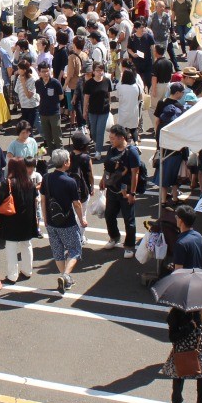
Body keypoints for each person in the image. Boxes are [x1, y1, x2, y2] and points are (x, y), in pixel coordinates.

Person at [43, 148, 88, 294]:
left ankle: (65, 280)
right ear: (65, 163)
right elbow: (77, 204)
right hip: (67, 223)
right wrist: (82, 219)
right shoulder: (70, 181)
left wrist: (45, 218)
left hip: (51, 222)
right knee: (75, 250)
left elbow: (43, 200)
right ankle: (65, 276)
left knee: (58, 251)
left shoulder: (46, 178)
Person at [163, 307, 202, 403]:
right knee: (179, 378)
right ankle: (176, 400)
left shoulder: (201, 310)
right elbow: (172, 337)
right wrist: (188, 328)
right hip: (183, 349)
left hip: (200, 348)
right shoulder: (175, 313)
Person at [0, 158, 39, 282]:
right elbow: (35, 200)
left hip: (11, 219)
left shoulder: (7, 183)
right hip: (27, 218)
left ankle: (12, 275)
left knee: (11, 247)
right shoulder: (30, 182)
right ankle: (27, 271)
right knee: (27, 244)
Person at [100, 125, 142, 258]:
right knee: (109, 215)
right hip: (112, 189)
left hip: (126, 191)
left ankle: (129, 246)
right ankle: (114, 237)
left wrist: (132, 193)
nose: (110, 140)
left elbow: (135, 173)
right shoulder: (111, 149)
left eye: (113, 138)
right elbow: (107, 167)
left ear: (121, 137)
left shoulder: (132, 152)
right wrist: (103, 179)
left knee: (128, 219)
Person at [83, 62, 114, 157]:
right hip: (92, 111)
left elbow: (108, 94)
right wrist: (84, 110)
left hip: (104, 110)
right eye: (97, 70)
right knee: (93, 131)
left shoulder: (107, 81)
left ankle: (98, 151)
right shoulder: (89, 83)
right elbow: (86, 98)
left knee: (100, 130)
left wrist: (110, 104)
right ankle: (97, 143)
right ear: (93, 71)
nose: (100, 72)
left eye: (101, 70)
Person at [37, 63, 65, 152]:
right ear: (39, 72)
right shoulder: (38, 83)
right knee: (48, 137)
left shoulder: (55, 82)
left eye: (47, 71)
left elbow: (61, 97)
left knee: (57, 136)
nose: (45, 73)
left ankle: (61, 154)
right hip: (43, 113)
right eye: (43, 71)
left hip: (54, 113)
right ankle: (52, 154)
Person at [113, 67, 145, 140]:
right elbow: (140, 98)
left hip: (123, 111)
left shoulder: (120, 87)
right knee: (133, 129)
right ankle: (136, 143)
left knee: (122, 129)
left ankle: (125, 142)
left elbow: (117, 98)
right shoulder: (137, 86)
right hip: (134, 111)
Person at [171, 205, 202, 270]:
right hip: (198, 273)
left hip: (186, 276)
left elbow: (178, 271)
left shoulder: (181, 243)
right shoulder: (199, 236)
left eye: (176, 217)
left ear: (180, 220)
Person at [14, 58, 41, 133]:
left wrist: (23, 83)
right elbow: (16, 90)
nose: (18, 70)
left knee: (31, 127)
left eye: (19, 69)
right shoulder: (19, 77)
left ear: (24, 70)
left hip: (32, 106)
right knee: (25, 127)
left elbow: (29, 95)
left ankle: (46, 137)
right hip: (23, 105)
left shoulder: (32, 79)